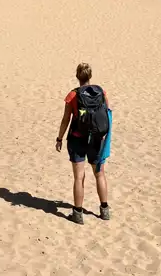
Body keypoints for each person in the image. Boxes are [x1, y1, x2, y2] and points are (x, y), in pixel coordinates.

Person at [56, 63, 111, 224]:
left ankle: (78, 213)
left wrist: (59, 138)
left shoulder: (73, 95)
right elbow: (108, 113)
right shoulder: (101, 92)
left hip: (77, 138)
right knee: (99, 173)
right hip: (96, 139)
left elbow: (66, 119)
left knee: (79, 177)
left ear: (77, 76)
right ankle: (105, 210)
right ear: (90, 76)